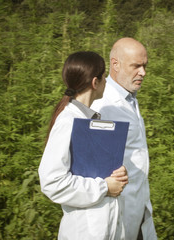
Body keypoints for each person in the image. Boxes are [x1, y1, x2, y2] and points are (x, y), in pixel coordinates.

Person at [38, 51, 129, 239]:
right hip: (83, 232)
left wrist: (117, 175)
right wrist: (104, 187)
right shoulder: (68, 121)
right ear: (95, 83)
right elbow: (52, 182)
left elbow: (93, 171)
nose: (106, 82)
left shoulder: (89, 121)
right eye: (105, 77)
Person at [91, 38, 157, 240]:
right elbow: (90, 166)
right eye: (136, 66)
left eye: (144, 66)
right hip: (114, 212)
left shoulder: (130, 98)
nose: (143, 72)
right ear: (115, 64)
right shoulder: (101, 105)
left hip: (138, 206)